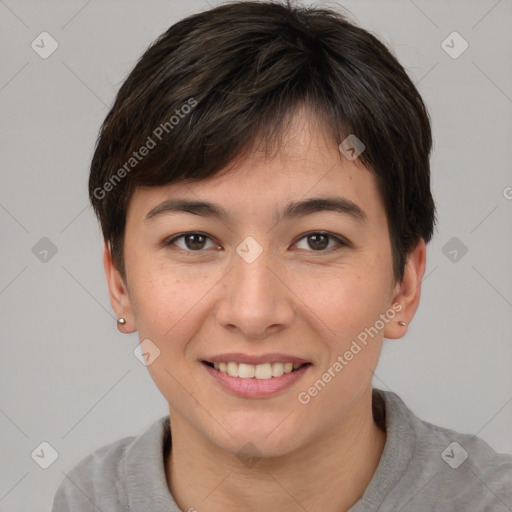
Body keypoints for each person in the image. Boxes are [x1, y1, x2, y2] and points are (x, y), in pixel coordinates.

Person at [52, 1, 512, 510]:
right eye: (195, 240)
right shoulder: (86, 500)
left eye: (318, 240)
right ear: (120, 283)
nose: (252, 313)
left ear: (404, 284)